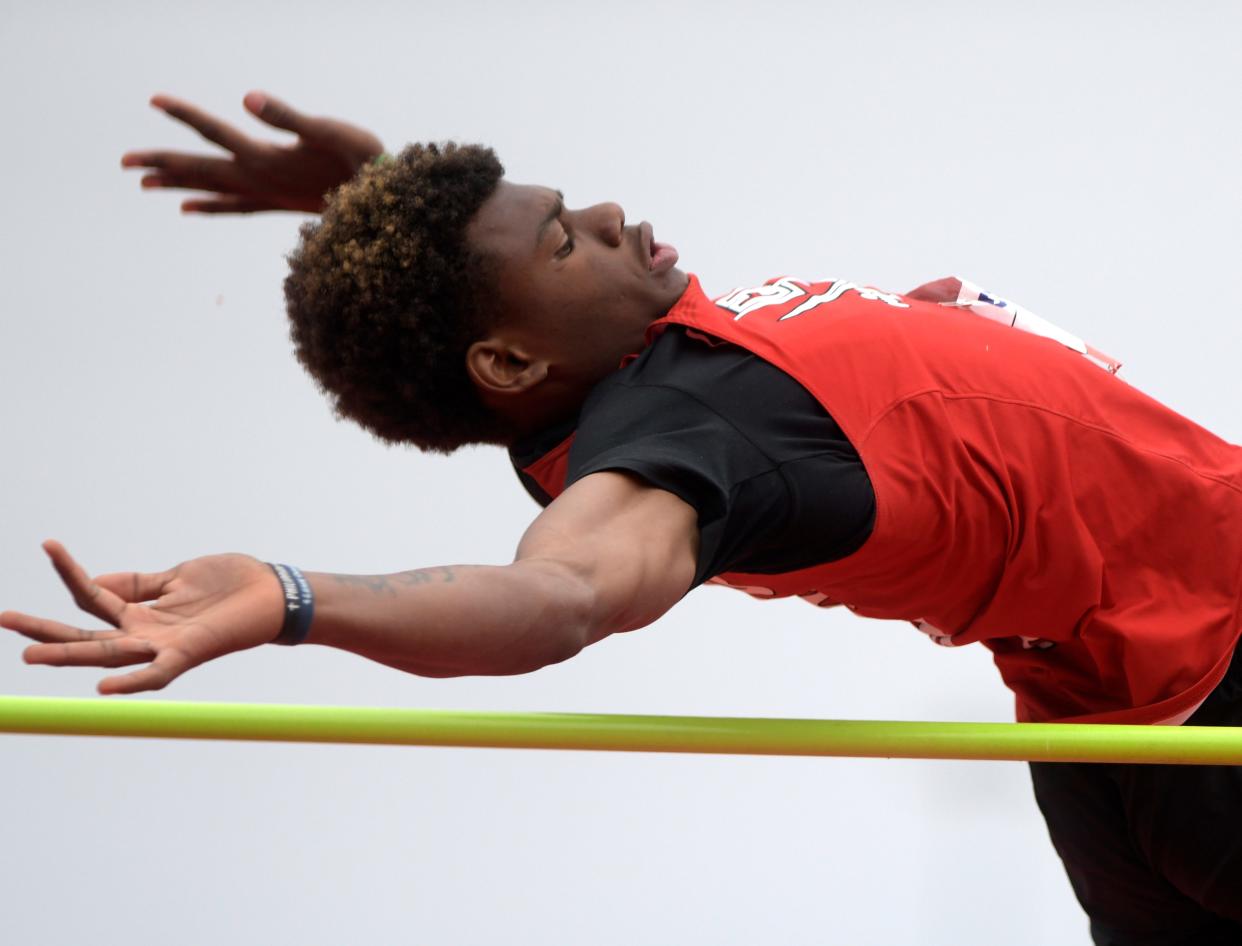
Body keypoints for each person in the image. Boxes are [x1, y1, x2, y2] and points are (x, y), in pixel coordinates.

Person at [5, 92, 1241, 944]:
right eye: (560, 241)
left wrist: (370, 191)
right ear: (504, 361)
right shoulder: (674, 445)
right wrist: (293, 596)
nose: (605, 216)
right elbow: (561, 599)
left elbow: (474, 302)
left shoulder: (636, 367)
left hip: (1121, 724)